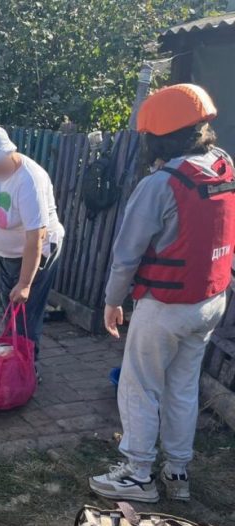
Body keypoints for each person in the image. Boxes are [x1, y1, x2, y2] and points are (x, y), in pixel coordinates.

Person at [90, 84, 235, 503]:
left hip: (166, 306)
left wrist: (113, 302)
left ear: (159, 136)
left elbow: (126, 255)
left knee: (140, 386)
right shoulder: (225, 167)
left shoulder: (160, 184)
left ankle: (137, 476)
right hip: (211, 302)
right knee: (183, 386)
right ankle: (177, 472)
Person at [0, 126, 64, 359]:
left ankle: (26, 370)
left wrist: (24, 283)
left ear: (8, 153)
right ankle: (13, 362)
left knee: (24, 316)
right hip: (7, 254)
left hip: (33, 255)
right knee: (11, 311)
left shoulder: (29, 180)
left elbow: (36, 236)